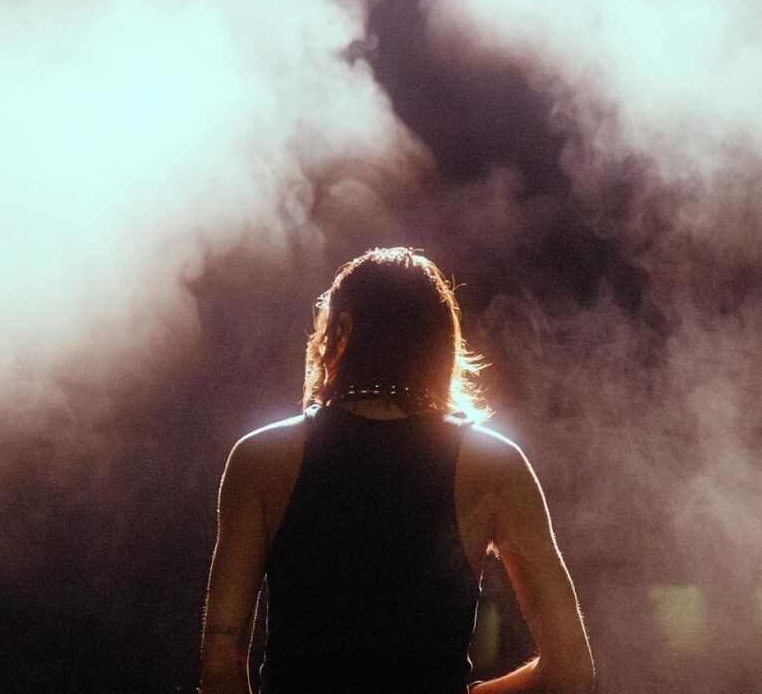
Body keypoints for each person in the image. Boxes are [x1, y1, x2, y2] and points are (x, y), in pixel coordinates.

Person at [199, 247, 594, 693]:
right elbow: (570, 670)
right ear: (441, 347)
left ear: (339, 331)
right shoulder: (493, 466)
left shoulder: (261, 459)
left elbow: (220, 668)